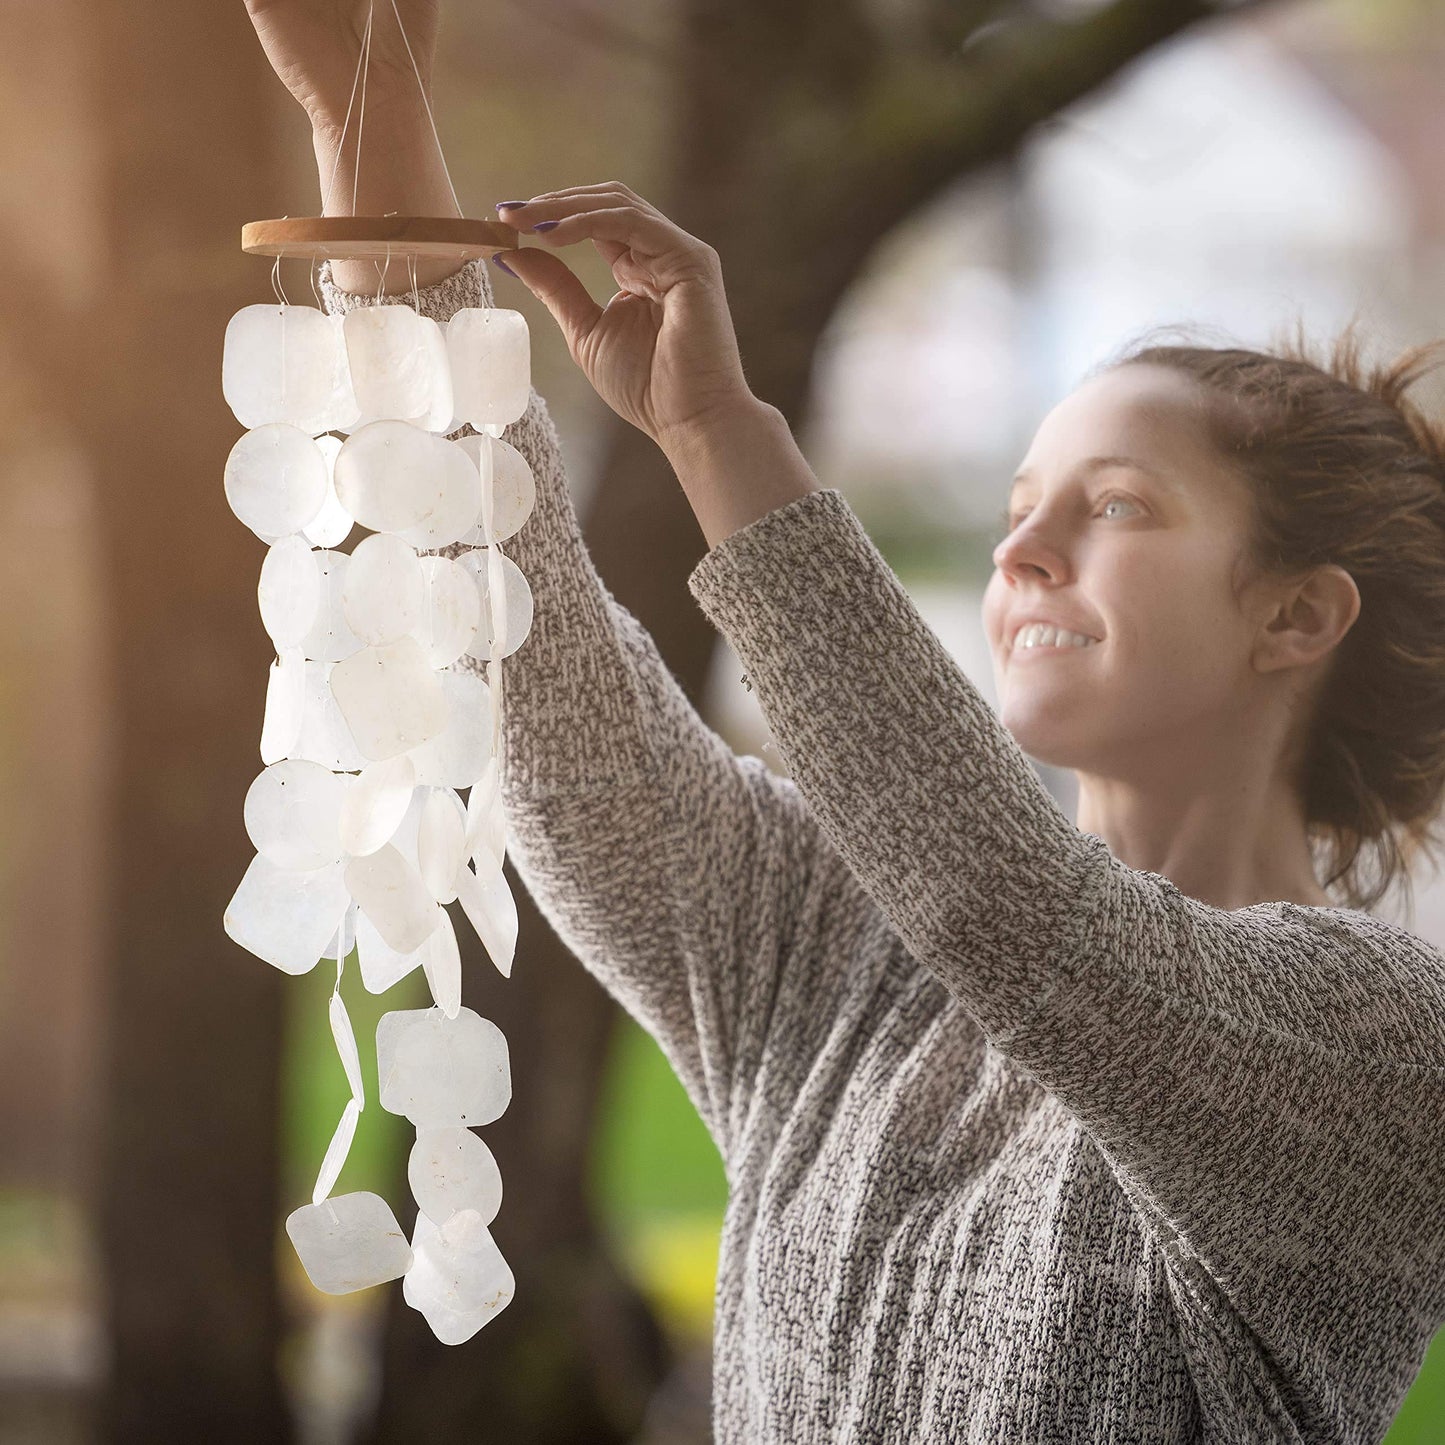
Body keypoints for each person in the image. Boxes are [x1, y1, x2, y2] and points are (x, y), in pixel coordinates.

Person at [246, 3, 1445, 1439]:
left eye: (1118, 506)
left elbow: (1005, 905)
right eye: (1019, 508)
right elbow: (548, 709)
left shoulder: (1381, 1049)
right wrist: (366, 113)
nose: (1023, 551)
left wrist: (718, 432)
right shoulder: (839, 953)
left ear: (1297, 617)